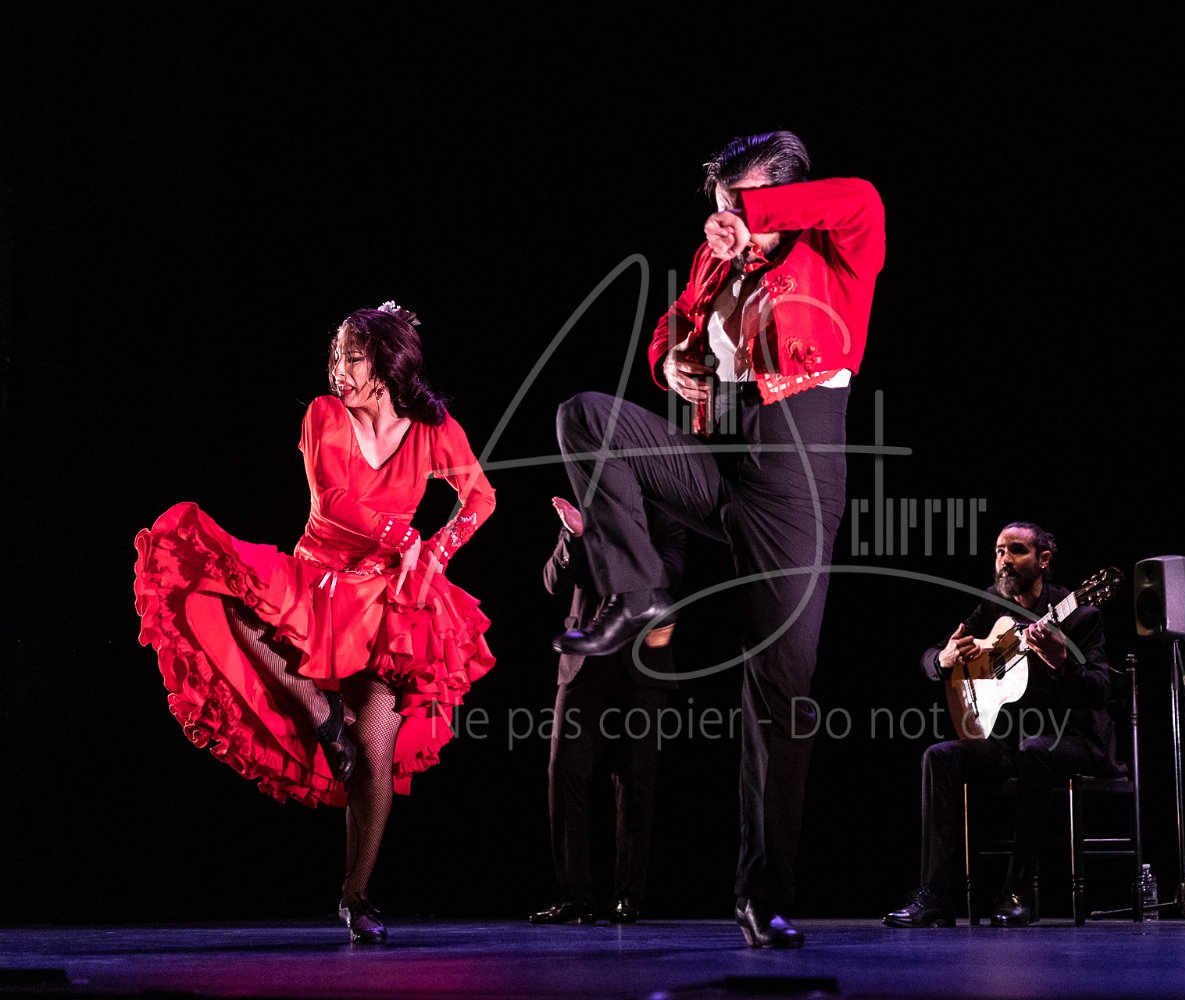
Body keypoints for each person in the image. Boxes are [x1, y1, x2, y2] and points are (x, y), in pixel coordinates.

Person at [553, 130, 885, 948]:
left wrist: (754, 214)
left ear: (782, 197)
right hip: (718, 453)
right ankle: (638, 592)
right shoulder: (714, 262)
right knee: (586, 417)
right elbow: (672, 330)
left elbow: (860, 198)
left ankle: (761, 894)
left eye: (744, 202)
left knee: (780, 686)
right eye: (721, 203)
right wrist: (668, 364)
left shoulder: (837, 249)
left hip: (794, 470)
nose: (726, 220)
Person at [132, 301, 497, 945]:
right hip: (320, 585)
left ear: (386, 364)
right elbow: (334, 501)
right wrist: (405, 535)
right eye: (335, 357)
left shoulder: (432, 428)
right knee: (216, 590)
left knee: (376, 752)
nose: (338, 370)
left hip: (388, 603)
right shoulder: (325, 414)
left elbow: (481, 496)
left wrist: (438, 551)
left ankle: (356, 894)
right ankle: (317, 707)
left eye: (352, 358)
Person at [883, 522, 1118, 929]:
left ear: (1044, 559)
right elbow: (934, 655)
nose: (1003, 560)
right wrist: (943, 659)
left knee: (1035, 750)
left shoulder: (1082, 614)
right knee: (940, 756)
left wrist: (1063, 664)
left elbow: (1100, 691)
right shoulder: (993, 605)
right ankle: (935, 897)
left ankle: (1019, 891)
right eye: (998, 551)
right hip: (1010, 740)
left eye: (1016, 550)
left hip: (1074, 739)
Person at [530, 495, 683, 926]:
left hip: (643, 665)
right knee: (565, 772)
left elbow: (669, 573)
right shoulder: (587, 513)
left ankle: (628, 896)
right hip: (584, 665)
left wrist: (608, 539)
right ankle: (574, 896)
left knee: (635, 781)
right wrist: (572, 536)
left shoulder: (664, 515)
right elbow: (553, 582)